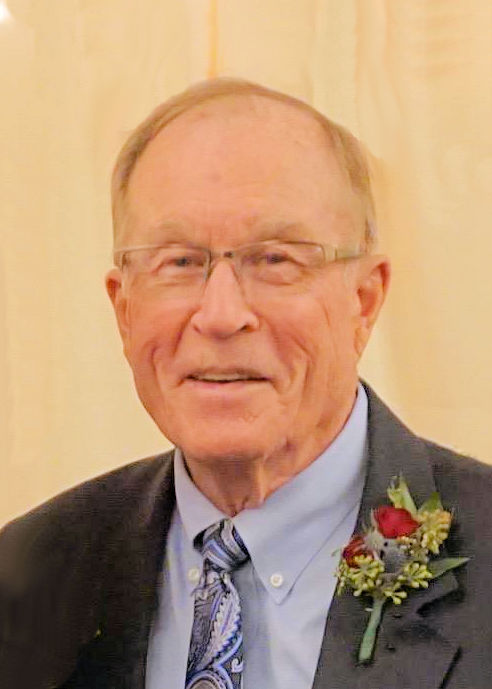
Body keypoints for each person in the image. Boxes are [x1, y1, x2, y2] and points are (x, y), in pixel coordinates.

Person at [1, 78, 491, 689]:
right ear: (124, 311)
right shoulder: (32, 577)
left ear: (364, 301)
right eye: (180, 261)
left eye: (276, 259)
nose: (221, 314)